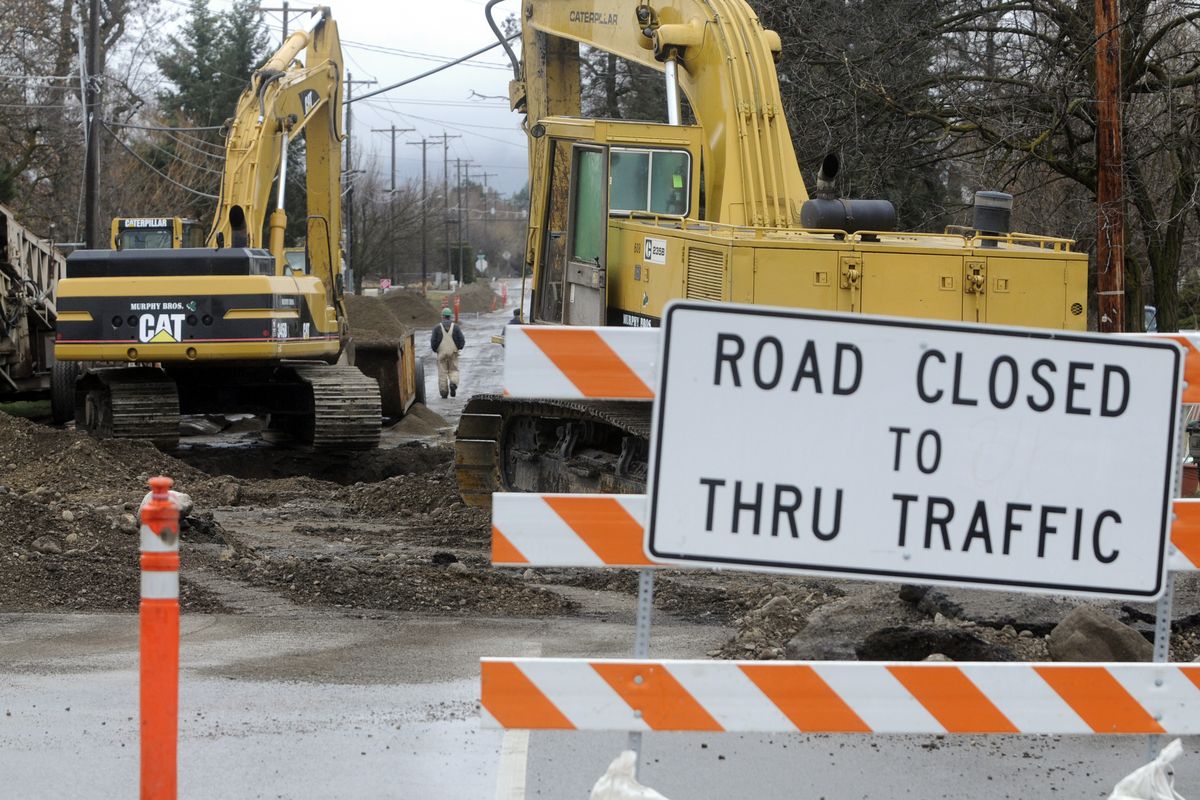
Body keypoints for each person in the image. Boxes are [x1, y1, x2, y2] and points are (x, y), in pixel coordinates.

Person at [430, 307, 466, 398]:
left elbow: (433, 342)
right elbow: (462, 341)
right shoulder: (456, 327)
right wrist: (459, 348)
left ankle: (444, 392)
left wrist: (436, 350)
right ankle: (453, 384)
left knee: (442, 373)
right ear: (450, 316)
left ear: (442, 316)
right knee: (453, 370)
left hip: (441, 354)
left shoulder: (437, 328)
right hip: (453, 353)